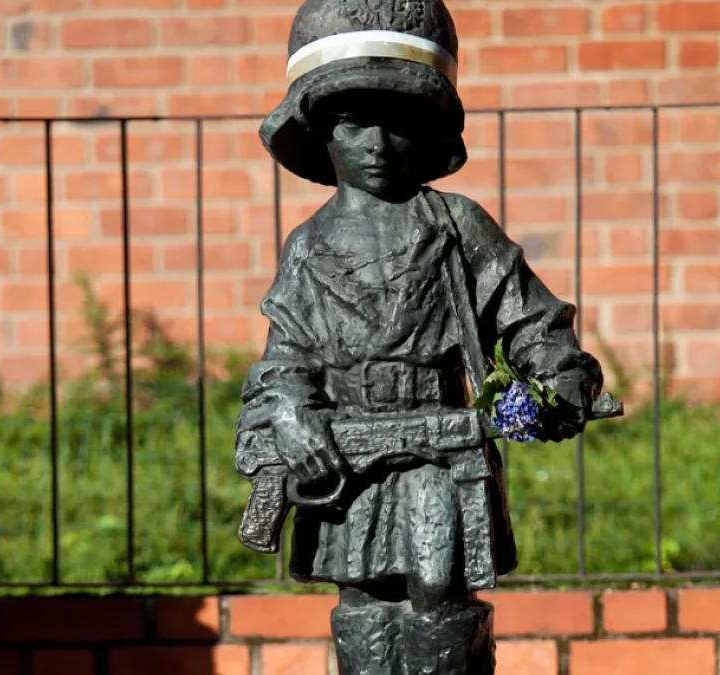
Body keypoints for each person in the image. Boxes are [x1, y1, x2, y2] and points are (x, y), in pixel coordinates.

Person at [234, 1, 608, 672]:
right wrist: (290, 415)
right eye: (353, 124)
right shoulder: (308, 246)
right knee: (364, 603)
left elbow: (530, 318)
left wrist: (558, 374)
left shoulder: (458, 226)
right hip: (345, 457)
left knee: (438, 597)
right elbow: (283, 361)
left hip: (440, 452)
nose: (376, 145)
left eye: (397, 124)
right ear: (321, 133)